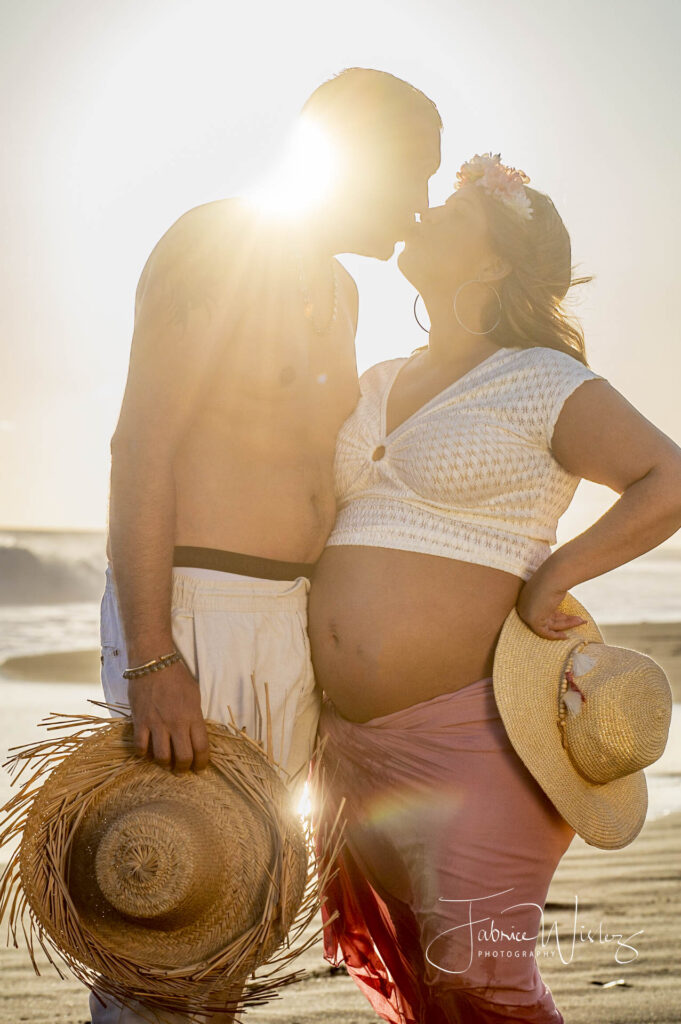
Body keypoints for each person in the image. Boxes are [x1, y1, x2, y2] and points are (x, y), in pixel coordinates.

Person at [93, 68, 442, 1024]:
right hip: (194, 604)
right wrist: (156, 653)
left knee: (240, 906)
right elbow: (141, 447)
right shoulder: (217, 244)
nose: (418, 210)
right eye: (413, 176)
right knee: (161, 909)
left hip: (286, 619)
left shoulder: (337, 287)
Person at [307, 154, 681, 1023]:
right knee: (430, 977)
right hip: (352, 746)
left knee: (483, 977)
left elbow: (666, 478)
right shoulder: (376, 379)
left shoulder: (540, 380)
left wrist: (555, 572)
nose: (425, 217)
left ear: (495, 262)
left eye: (453, 215)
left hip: (480, 735)